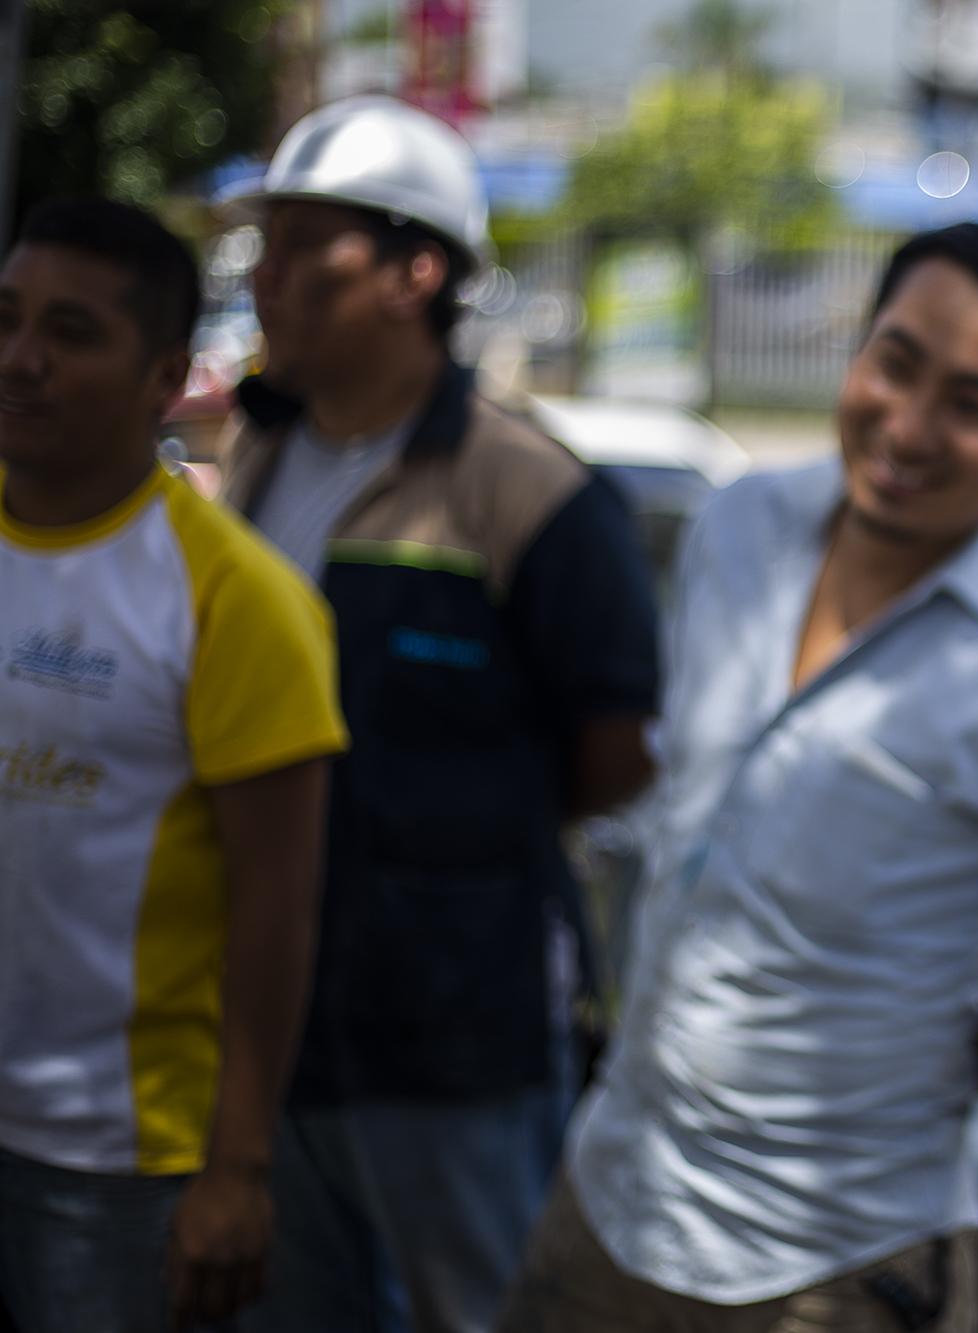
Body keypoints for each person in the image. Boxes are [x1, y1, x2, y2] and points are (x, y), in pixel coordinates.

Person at [499, 222, 978, 1333]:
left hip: (829, 1263)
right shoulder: (740, 524)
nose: (906, 425)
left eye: (969, 401)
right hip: (611, 1193)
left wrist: (913, 1048)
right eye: (894, 363)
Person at [214, 96, 661, 1333]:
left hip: (454, 1040)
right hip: (265, 1034)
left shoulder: (530, 492)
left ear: (418, 271)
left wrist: (437, 850)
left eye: (310, 248)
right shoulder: (254, 459)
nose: (270, 281)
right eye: (269, 247)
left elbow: (616, 752)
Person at [0, 197, 346, 1332]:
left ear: (162, 378)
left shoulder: (239, 603)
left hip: (118, 1159)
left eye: (71, 332)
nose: (23, 359)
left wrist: (236, 1169)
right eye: (5, 319)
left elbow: (277, 911)